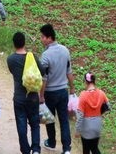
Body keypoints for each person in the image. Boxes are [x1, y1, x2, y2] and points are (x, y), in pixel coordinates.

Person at [39, 23, 74, 154]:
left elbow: (44, 79)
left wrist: (41, 95)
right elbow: (69, 72)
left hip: (50, 93)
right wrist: (72, 89)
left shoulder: (46, 55)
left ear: (49, 38)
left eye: (43, 37)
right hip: (63, 92)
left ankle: (52, 142)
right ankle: (66, 148)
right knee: (64, 120)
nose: (42, 40)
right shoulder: (65, 50)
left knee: (50, 119)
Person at [7, 32, 42, 154]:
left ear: (14, 44)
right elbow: (41, 72)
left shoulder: (10, 59)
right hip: (32, 96)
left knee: (21, 125)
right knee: (35, 124)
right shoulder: (33, 57)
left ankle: (26, 150)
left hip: (19, 97)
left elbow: (13, 72)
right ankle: (36, 149)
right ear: (24, 43)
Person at [76, 72, 110, 154]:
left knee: (86, 150)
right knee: (94, 148)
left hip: (86, 127)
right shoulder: (101, 93)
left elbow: (80, 116)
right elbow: (108, 106)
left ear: (85, 81)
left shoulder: (83, 95)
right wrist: (99, 112)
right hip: (97, 124)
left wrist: (77, 130)